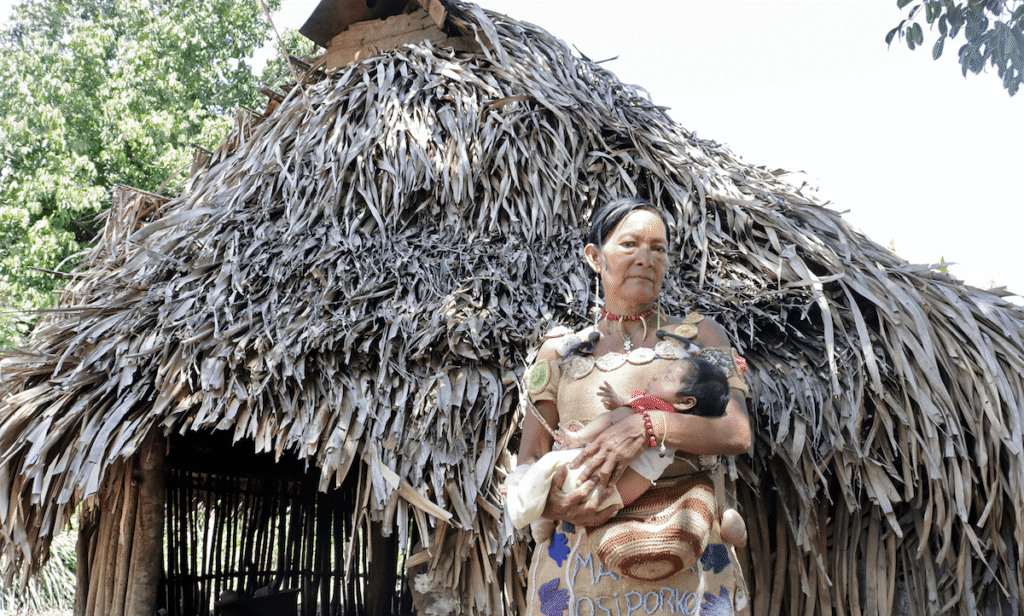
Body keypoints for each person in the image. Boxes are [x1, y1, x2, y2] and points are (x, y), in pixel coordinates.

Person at [517, 197, 752, 615]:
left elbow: (736, 433)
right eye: (629, 244)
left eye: (658, 249)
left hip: (687, 561)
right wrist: (554, 505)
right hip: (578, 570)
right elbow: (530, 458)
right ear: (594, 257)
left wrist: (647, 427)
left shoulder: (703, 338)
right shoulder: (559, 352)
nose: (646, 258)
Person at [506, 356, 730, 540]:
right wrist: (621, 401)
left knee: (549, 466)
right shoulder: (679, 425)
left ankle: (525, 504)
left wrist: (578, 437)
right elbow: (631, 408)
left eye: (667, 377)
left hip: (597, 478)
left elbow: (615, 418)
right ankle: (539, 513)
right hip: (623, 495)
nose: (656, 376)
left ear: (685, 402)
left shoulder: (655, 409)